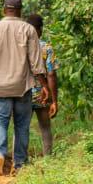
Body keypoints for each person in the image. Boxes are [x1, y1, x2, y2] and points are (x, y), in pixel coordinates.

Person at [0, 0, 49, 175]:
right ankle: (19, 164)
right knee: (22, 124)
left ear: (4, 9)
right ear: (20, 10)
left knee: (0, 121)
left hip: (0, 85)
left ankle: (0, 154)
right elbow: (35, 62)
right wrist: (44, 85)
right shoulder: (28, 29)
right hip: (22, 86)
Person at [25, 13, 59, 156]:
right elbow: (51, 74)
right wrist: (54, 100)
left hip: (23, 93)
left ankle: (18, 160)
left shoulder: (20, 46)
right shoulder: (47, 48)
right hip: (42, 96)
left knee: (21, 128)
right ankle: (47, 160)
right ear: (40, 29)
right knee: (45, 128)